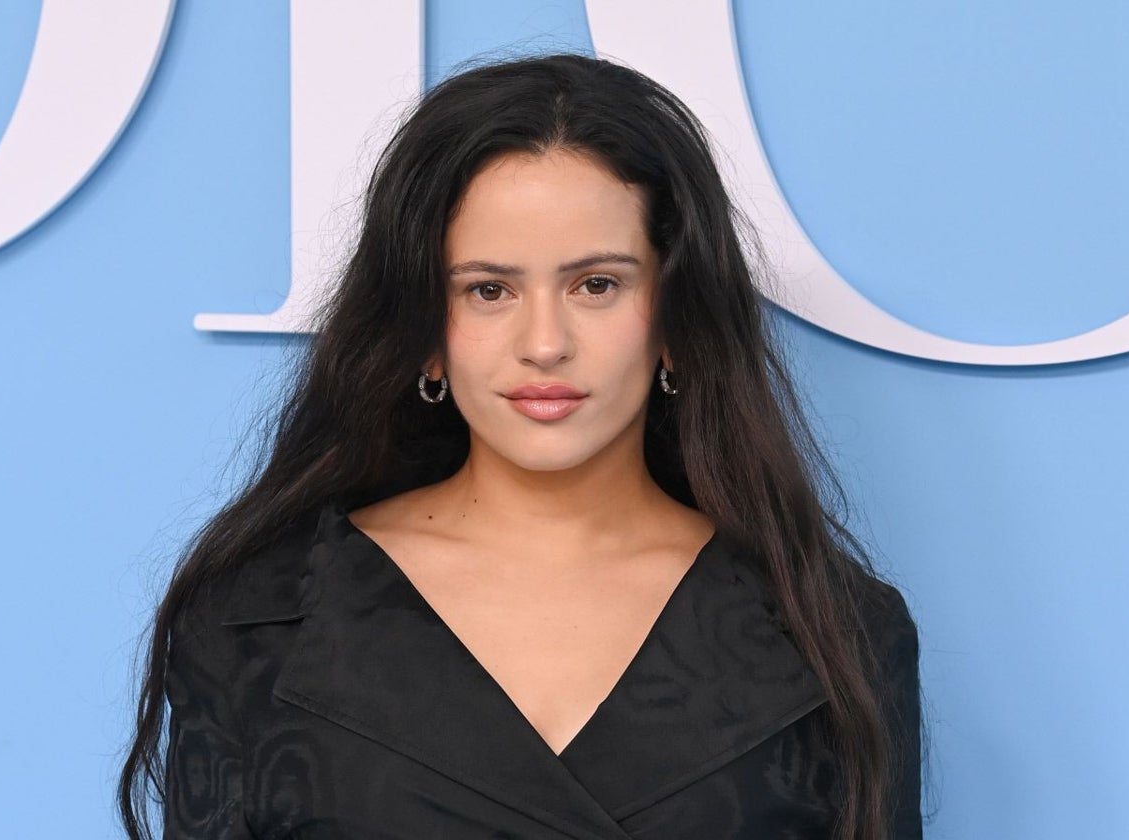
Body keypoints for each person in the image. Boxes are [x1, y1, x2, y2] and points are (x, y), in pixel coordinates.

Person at [118, 53, 923, 839]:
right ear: (426, 331)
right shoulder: (258, 618)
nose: (544, 343)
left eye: (597, 285)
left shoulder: (830, 627)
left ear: (676, 320)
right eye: (489, 290)